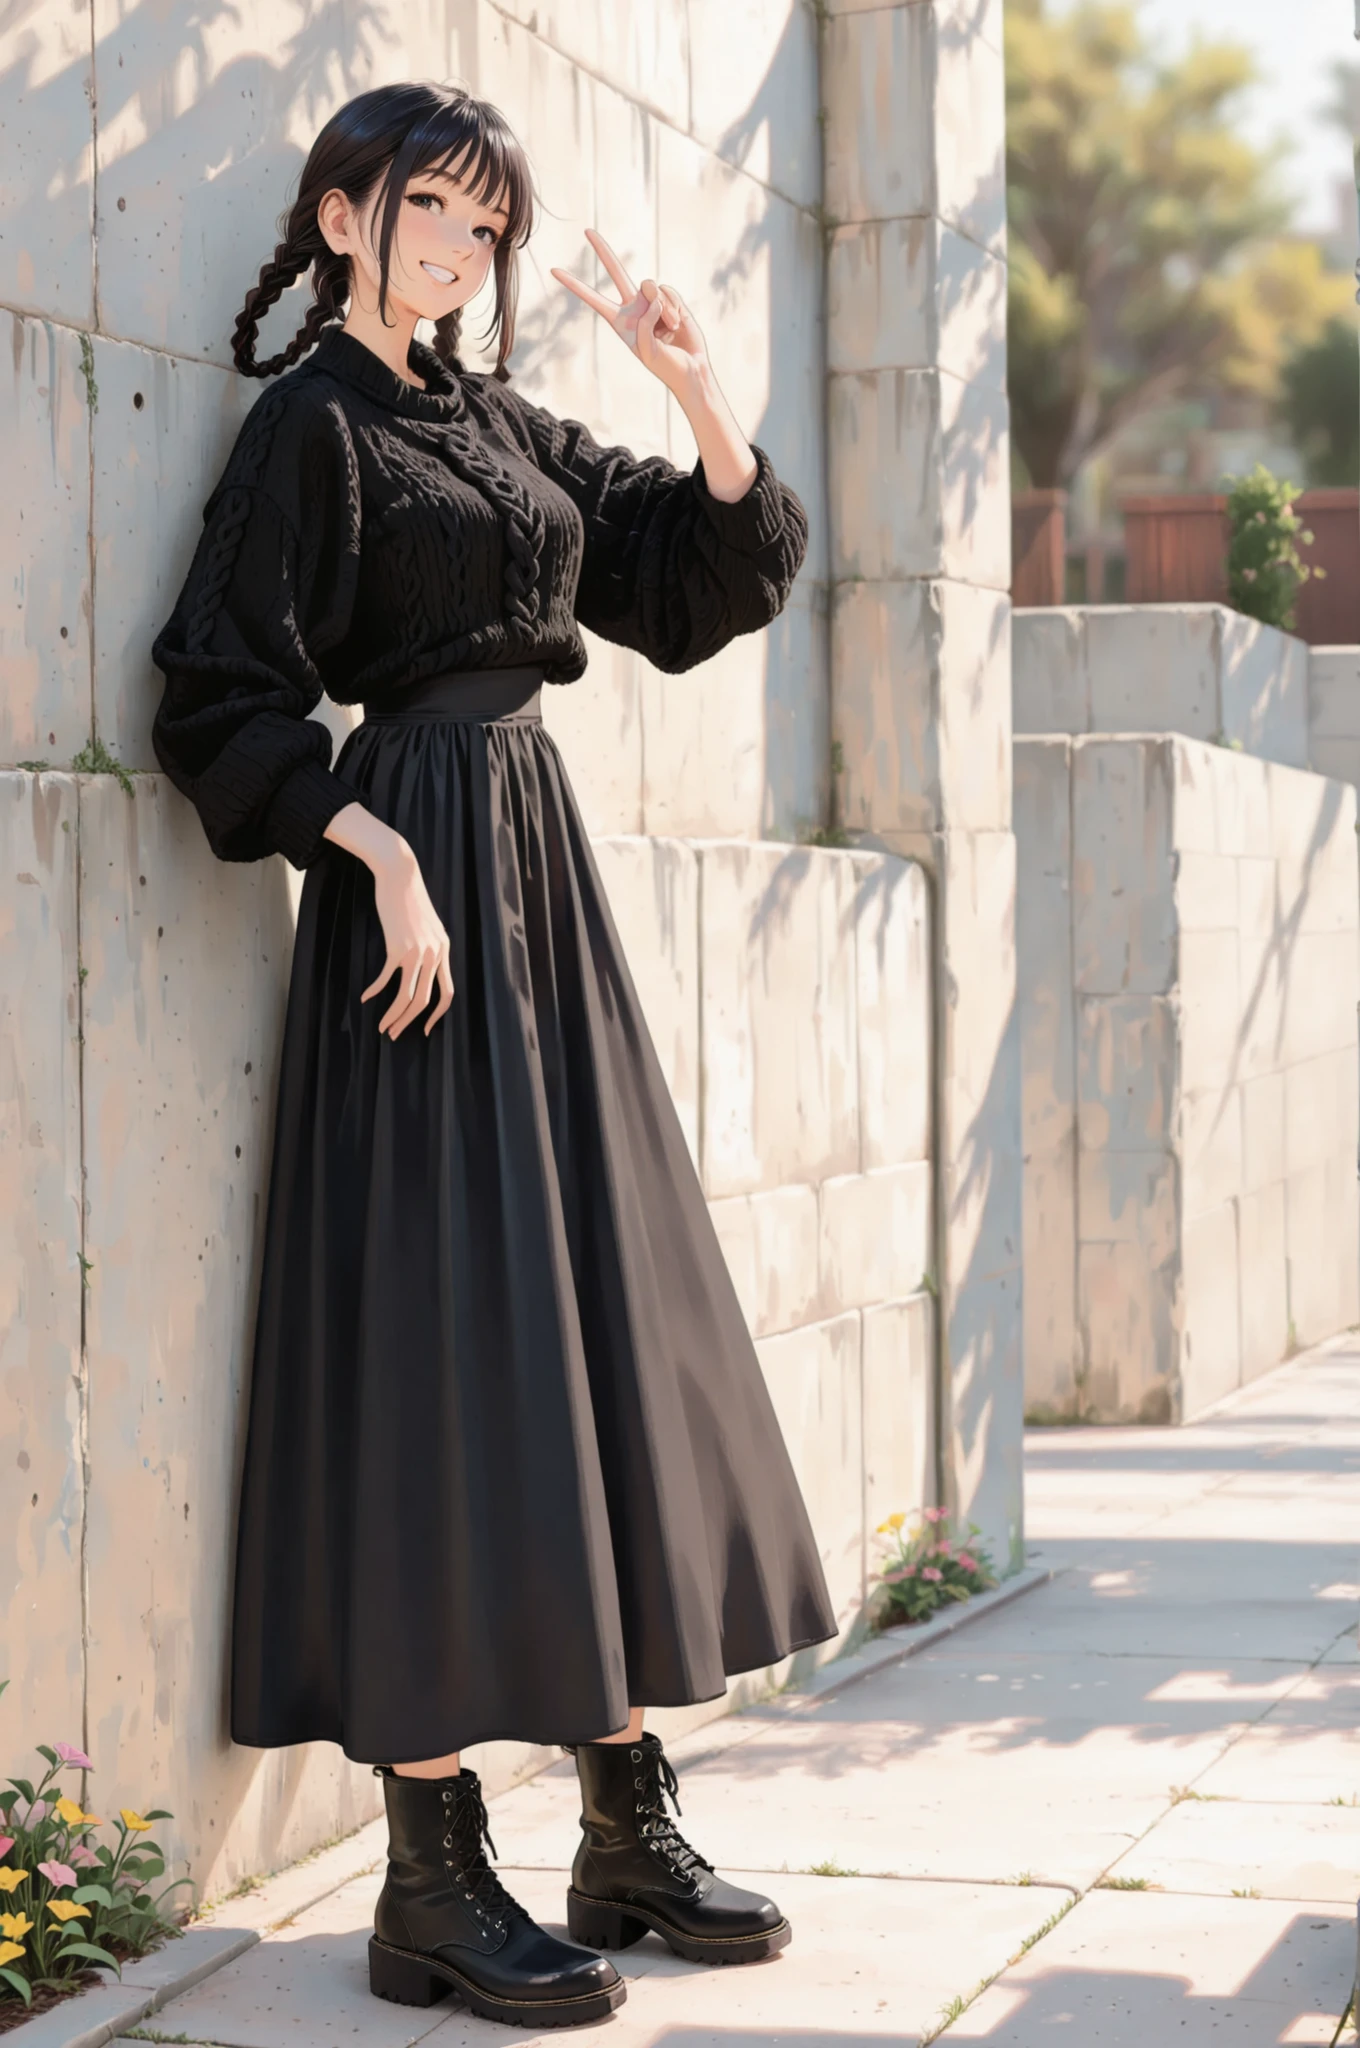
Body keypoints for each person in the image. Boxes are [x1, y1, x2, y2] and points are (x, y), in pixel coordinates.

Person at [151, 79, 835, 2030]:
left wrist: (694, 392)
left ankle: (623, 1819)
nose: (460, 251)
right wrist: (374, 857)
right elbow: (214, 695)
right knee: (443, 1361)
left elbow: (688, 573)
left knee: (594, 1333)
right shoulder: (311, 426)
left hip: (538, 884)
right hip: (421, 923)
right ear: (342, 214)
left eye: (486, 227)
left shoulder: (493, 420)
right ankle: (431, 1880)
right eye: (430, 212)